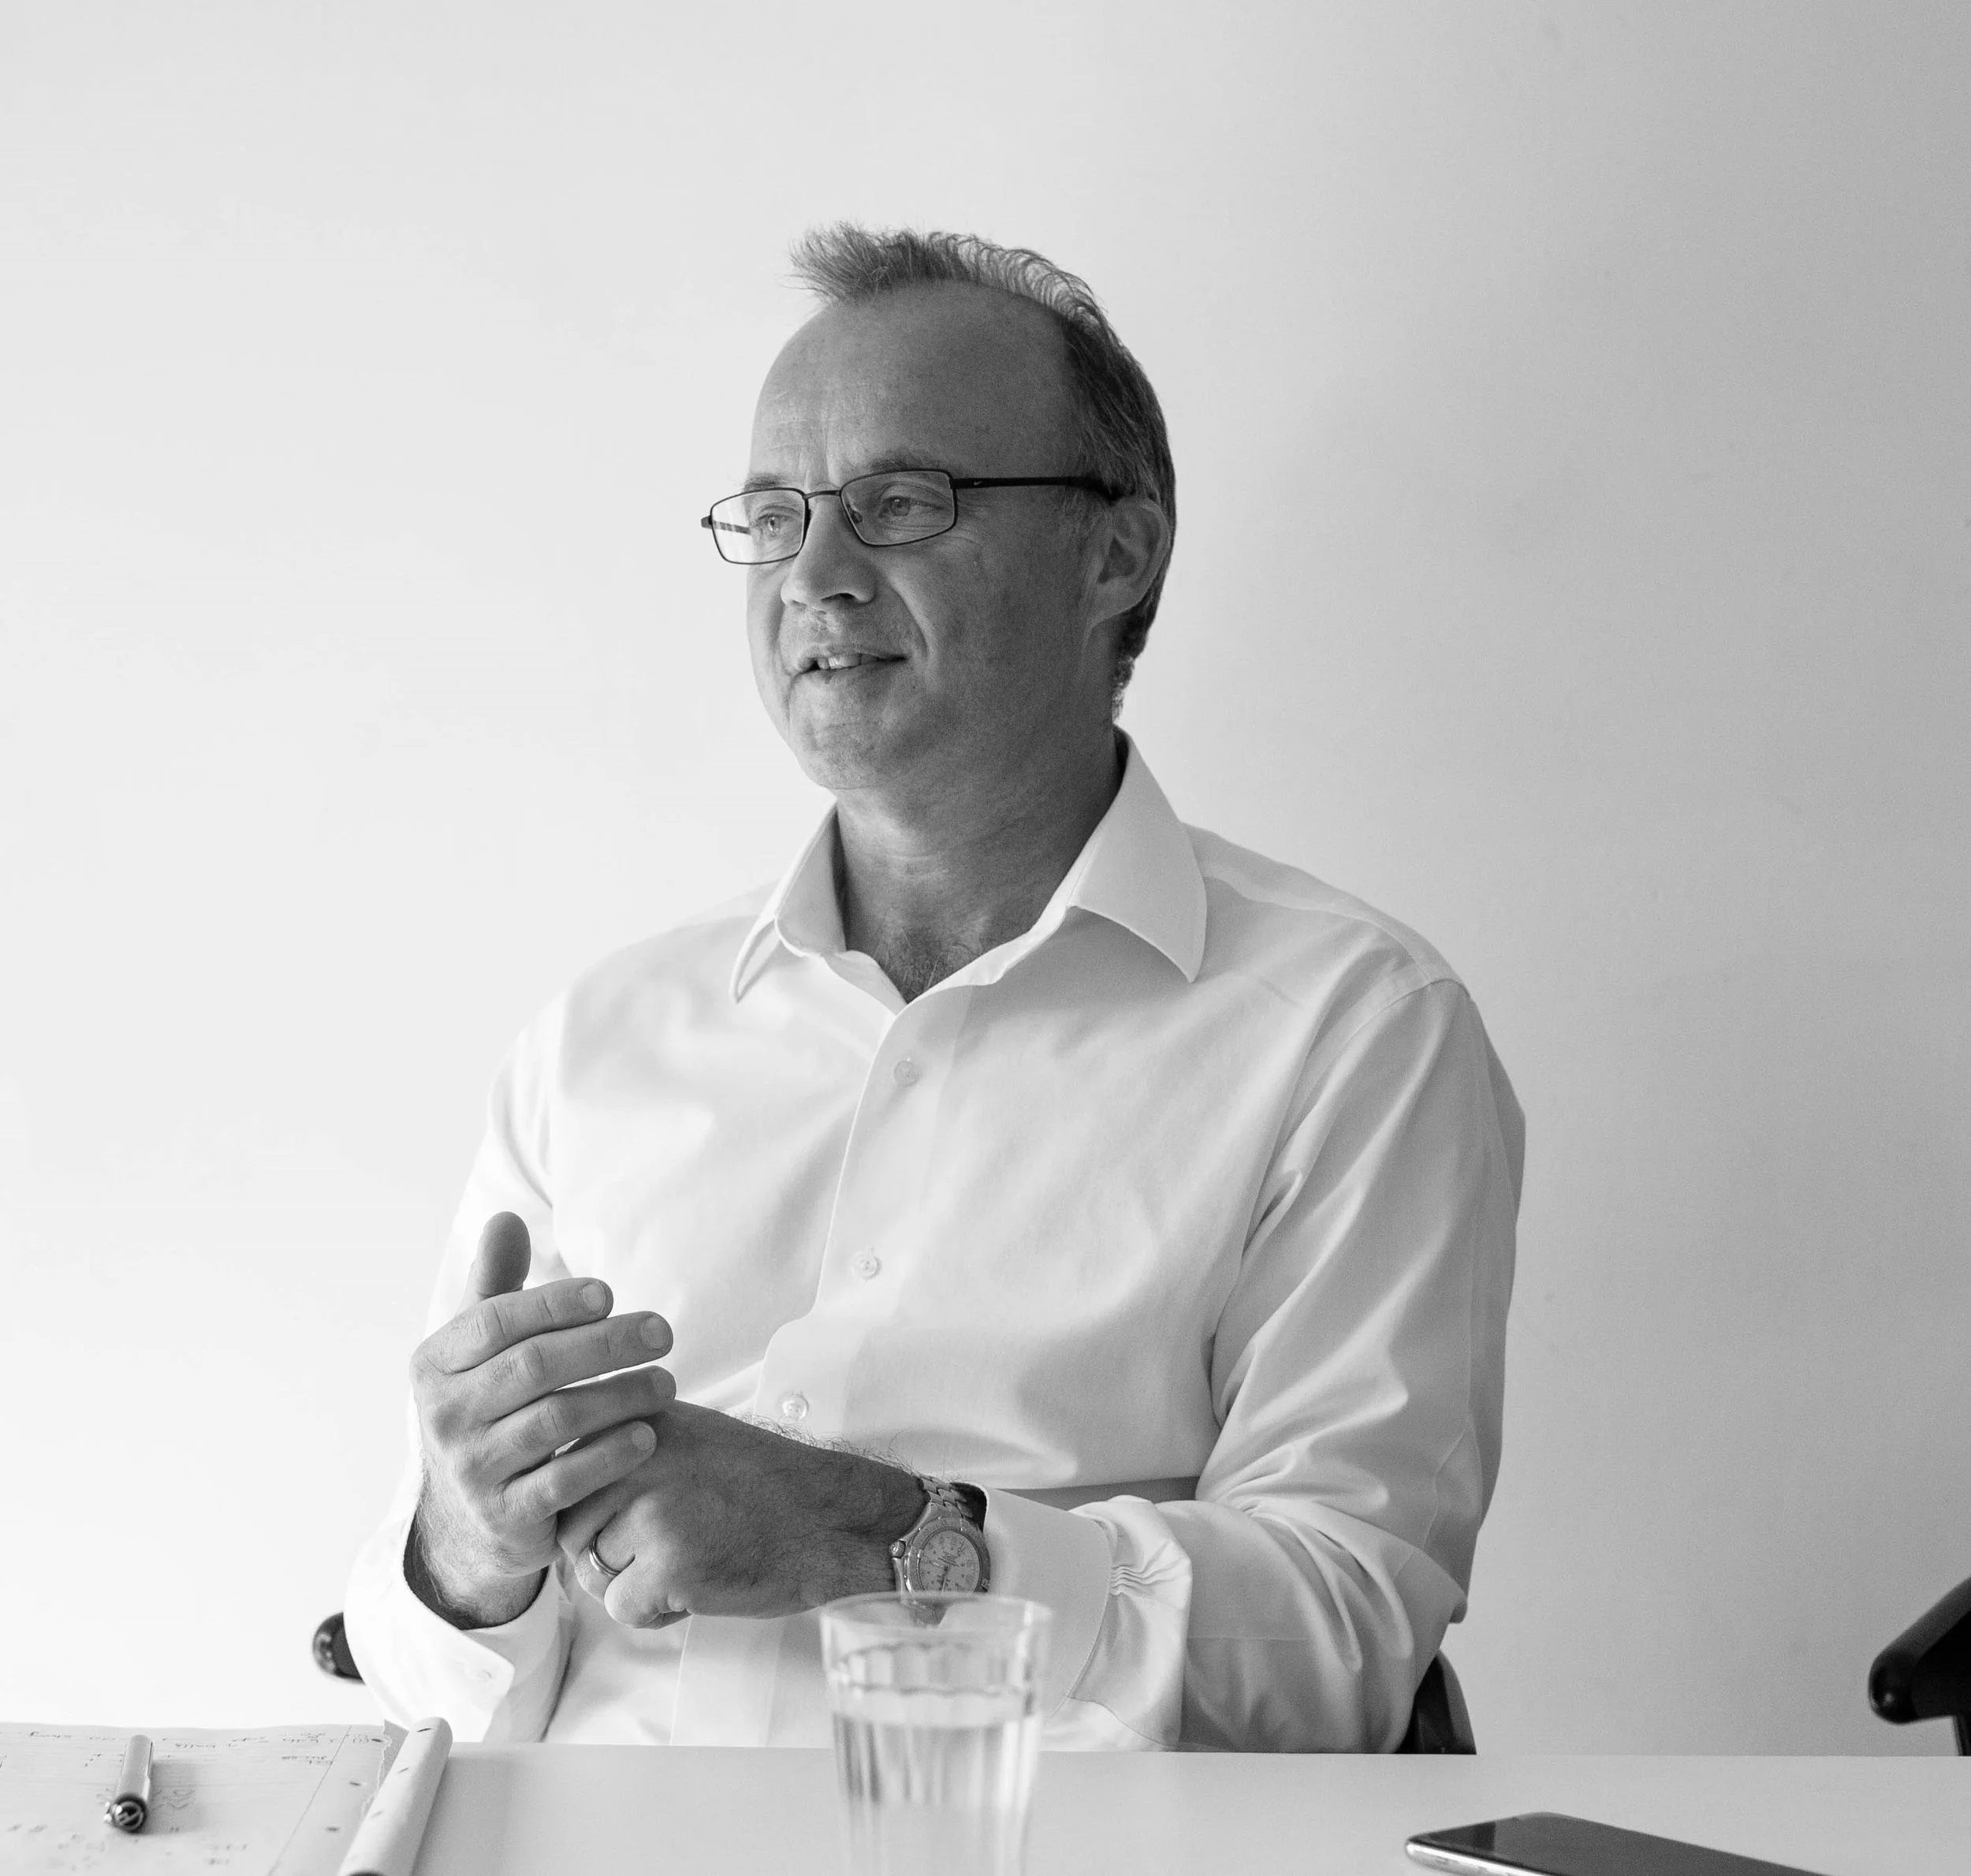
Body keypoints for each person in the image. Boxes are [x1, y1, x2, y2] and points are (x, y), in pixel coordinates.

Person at [345, 224, 1523, 1751]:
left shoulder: (1352, 1026)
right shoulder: (599, 1039)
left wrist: (886, 1538)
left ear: (1116, 551)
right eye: (773, 516)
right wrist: (464, 1548)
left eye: (901, 502)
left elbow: (1339, 1637)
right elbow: (420, 1682)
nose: (814, 577)